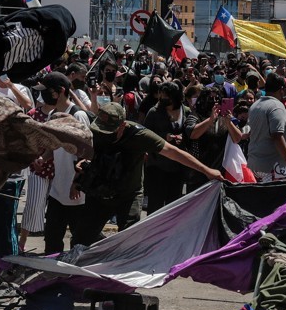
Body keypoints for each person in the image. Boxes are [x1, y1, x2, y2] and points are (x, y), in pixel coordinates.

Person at [73, 103, 225, 246]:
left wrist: (206, 170)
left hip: (128, 195)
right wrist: (77, 178)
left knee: (129, 241)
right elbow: (88, 153)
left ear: (123, 125)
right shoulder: (97, 131)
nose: (105, 133)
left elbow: (173, 152)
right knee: (81, 238)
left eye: (110, 130)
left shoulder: (139, 135)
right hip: (100, 191)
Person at [34, 72, 91, 255]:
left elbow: (87, 153)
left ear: (60, 91)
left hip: (76, 194)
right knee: (52, 238)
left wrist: (77, 182)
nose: (43, 95)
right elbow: (54, 146)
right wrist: (44, 158)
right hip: (57, 190)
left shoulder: (78, 115)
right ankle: (52, 275)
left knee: (79, 241)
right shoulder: (52, 115)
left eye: (47, 91)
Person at [143, 81, 198, 213]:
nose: (162, 99)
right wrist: (164, 137)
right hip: (157, 165)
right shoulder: (154, 112)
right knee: (155, 204)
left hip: (178, 166)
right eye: (161, 96)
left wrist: (182, 138)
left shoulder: (186, 111)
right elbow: (146, 135)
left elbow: (190, 132)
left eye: (166, 97)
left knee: (173, 205)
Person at [246, 73, 286, 183]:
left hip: (255, 164)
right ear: (282, 89)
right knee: (275, 198)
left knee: (260, 198)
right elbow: (277, 136)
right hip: (273, 168)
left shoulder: (255, 105)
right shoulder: (276, 107)